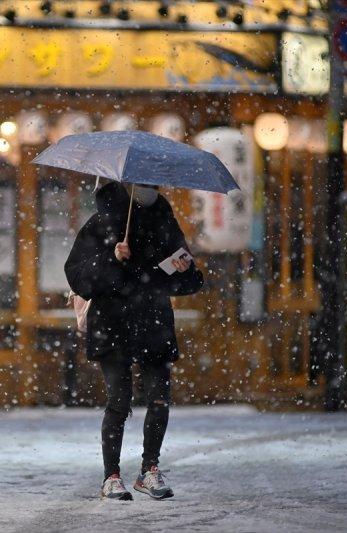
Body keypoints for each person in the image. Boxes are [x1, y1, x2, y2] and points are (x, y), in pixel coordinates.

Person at [65, 180, 204, 501]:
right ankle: (111, 476)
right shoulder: (102, 221)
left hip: (153, 319)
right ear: (128, 184)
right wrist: (112, 258)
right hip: (112, 322)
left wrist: (182, 269)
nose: (149, 188)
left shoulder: (164, 219)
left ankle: (150, 469)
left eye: (153, 183)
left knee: (159, 398)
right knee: (118, 401)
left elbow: (190, 280)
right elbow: (78, 277)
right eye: (143, 183)